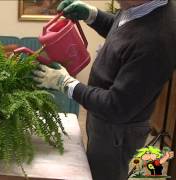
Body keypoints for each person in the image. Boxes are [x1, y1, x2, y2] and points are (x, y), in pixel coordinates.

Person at [32, 0, 176, 179]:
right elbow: (124, 33)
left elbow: (116, 107)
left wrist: (65, 83)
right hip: (102, 116)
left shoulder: (157, 40)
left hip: (117, 130)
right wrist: (93, 15)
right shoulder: (138, 8)